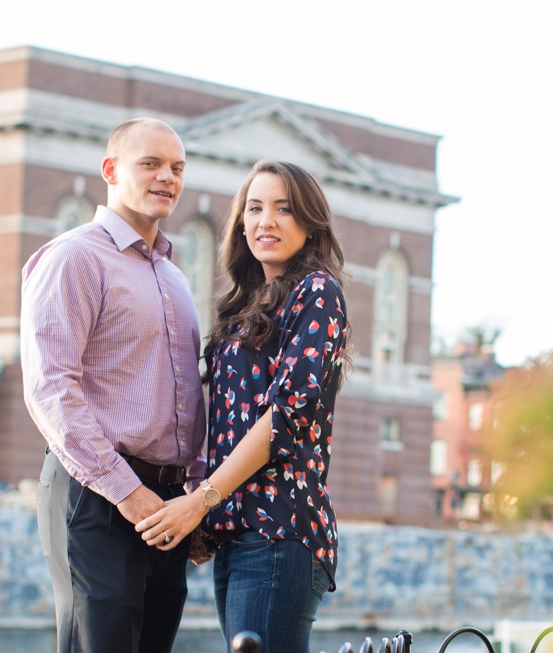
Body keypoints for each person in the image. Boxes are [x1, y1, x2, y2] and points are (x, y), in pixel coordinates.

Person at [137, 160, 349, 653]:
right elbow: (226, 421)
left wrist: (200, 500)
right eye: (255, 208)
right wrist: (207, 513)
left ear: (311, 224)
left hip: (280, 529)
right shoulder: (244, 306)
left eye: (283, 209)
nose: (265, 221)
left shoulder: (317, 292)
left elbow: (283, 420)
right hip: (235, 533)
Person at [21, 117, 207, 653]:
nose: (167, 177)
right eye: (149, 163)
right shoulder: (74, 257)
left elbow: (186, 398)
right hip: (97, 496)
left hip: (166, 503)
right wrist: (124, 491)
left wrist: (192, 492)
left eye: (176, 168)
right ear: (111, 169)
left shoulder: (173, 277)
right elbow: (50, 386)